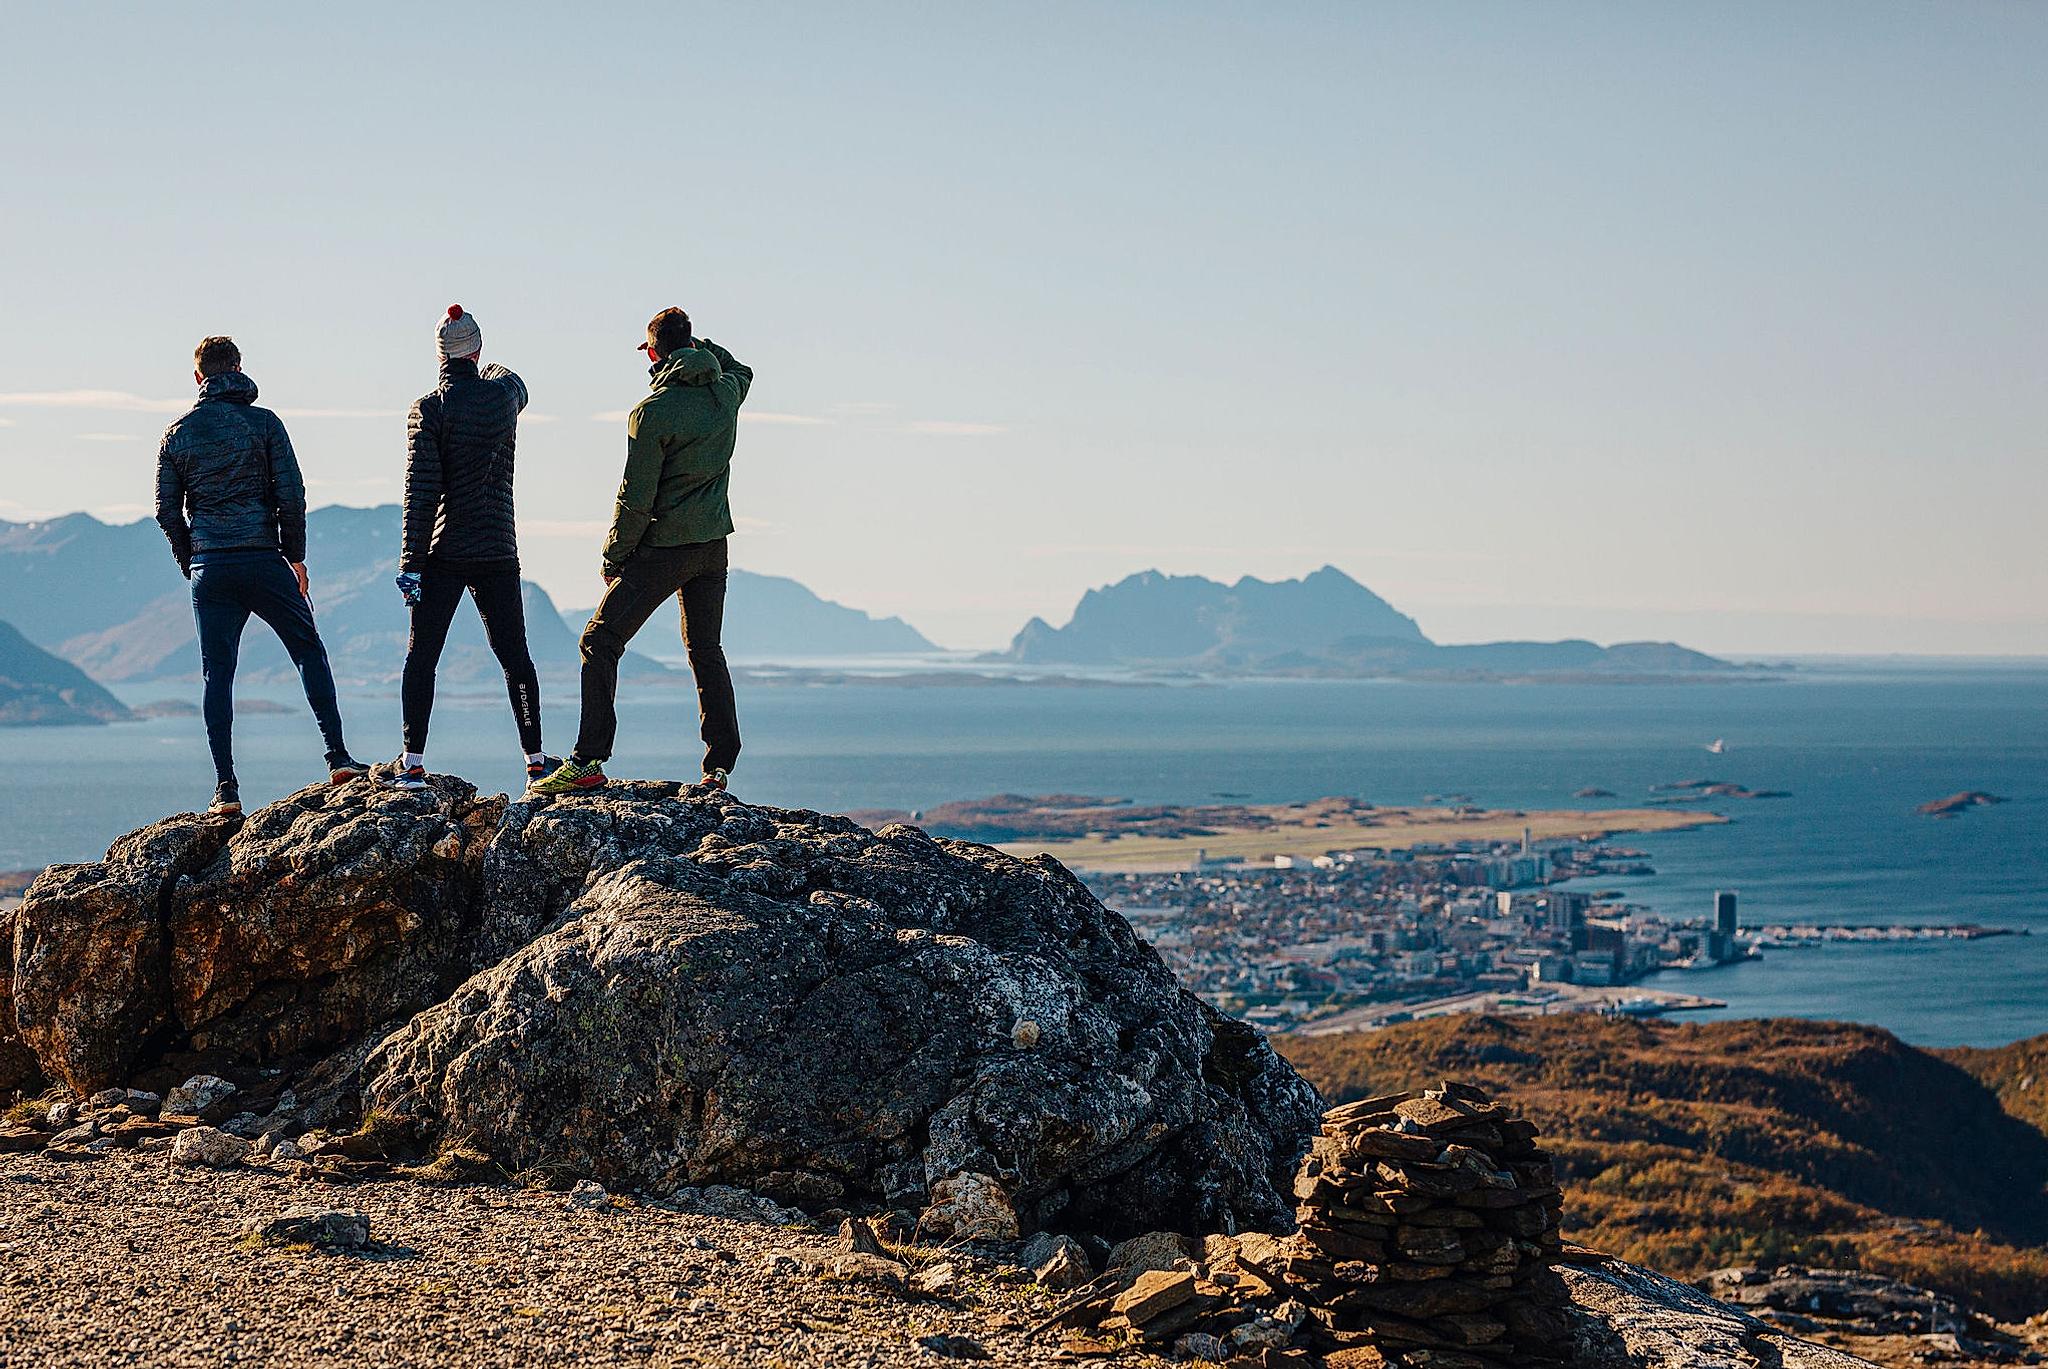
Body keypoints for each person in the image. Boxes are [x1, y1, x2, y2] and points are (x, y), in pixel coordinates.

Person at [532, 308, 751, 795]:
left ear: (653, 353)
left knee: (600, 641)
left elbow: (635, 497)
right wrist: (700, 349)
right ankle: (717, 768)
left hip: (664, 548)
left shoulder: (651, 413)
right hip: (712, 546)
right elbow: (741, 368)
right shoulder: (725, 394)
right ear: (690, 345)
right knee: (705, 649)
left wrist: (614, 555)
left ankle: (588, 759)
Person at [154, 335, 367, 815]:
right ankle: (337, 756)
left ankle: (225, 788)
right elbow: (292, 495)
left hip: (212, 567)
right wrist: (295, 557)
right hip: (263, 557)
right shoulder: (266, 424)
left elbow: (167, 511)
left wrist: (192, 560)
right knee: (308, 650)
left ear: (198, 377)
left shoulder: (177, 434)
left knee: (217, 674)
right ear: (239, 368)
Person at [393, 305, 551, 790]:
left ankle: (413, 762)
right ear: (477, 351)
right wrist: (484, 364)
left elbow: (420, 493)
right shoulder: (502, 398)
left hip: (445, 550)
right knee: (514, 656)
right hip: (498, 549)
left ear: (438, 354)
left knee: (423, 656)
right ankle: (536, 760)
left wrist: (410, 564)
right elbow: (516, 380)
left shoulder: (430, 408)